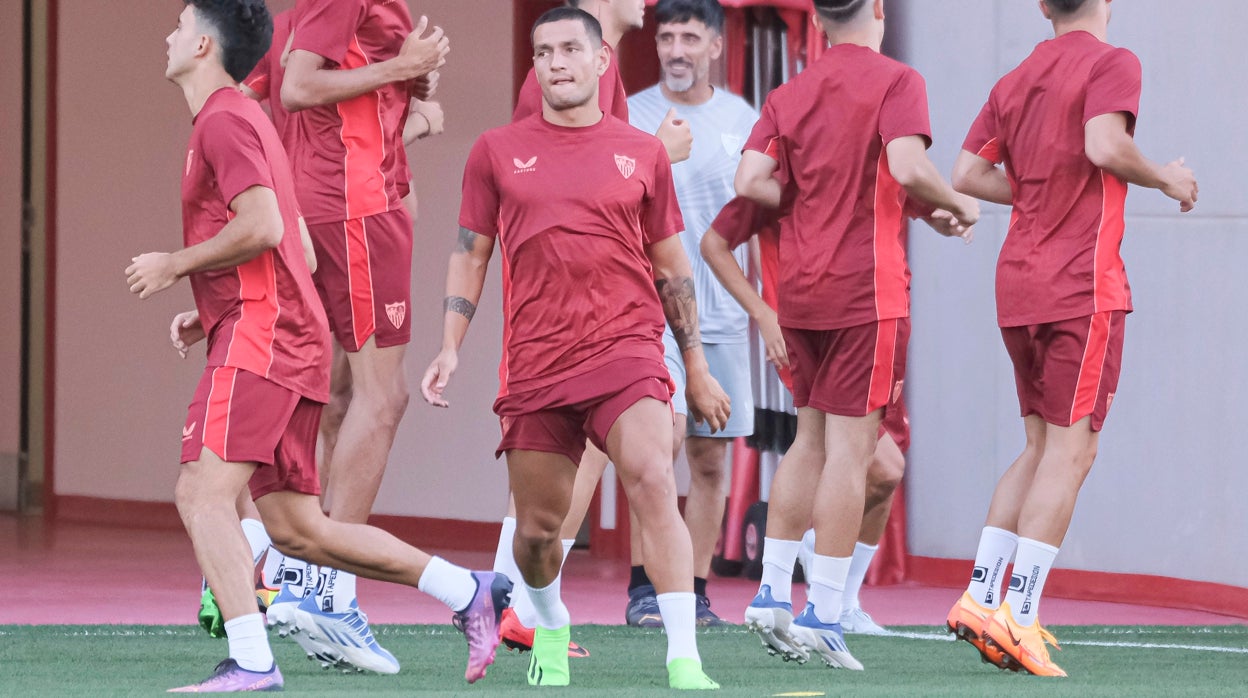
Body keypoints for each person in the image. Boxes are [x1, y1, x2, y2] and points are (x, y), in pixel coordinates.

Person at [127, 2, 509, 690]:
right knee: (302, 529)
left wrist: (179, 266)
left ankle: (253, 658)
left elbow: (273, 223)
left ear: (206, 45)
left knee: (201, 491)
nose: (168, 35)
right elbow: (294, 235)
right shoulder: (244, 120)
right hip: (275, 330)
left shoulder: (227, 118)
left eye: (179, 25)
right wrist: (210, 305)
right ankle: (469, 591)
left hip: (265, 337)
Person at [422, 7, 727, 689]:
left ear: (600, 63)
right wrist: (449, 345)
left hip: (628, 349)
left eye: (569, 50)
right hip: (536, 363)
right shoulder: (495, 151)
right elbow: (470, 254)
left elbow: (673, 268)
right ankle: (550, 623)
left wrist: (697, 367)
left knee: (653, 475)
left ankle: (685, 659)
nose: (556, 62)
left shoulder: (643, 152)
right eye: (543, 52)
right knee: (535, 535)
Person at [945, 0, 1197, 677]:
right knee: (1072, 451)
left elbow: (966, 174)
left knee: (1038, 446)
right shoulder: (1113, 62)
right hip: (1080, 286)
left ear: (1040, 6)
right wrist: (1169, 176)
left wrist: (1032, 195)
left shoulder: (1016, 76)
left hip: (1018, 283)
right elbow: (1104, 146)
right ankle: (1019, 616)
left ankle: (979, 595)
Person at [734, 0, 979, 670]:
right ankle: (826, 611)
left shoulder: (790, 90)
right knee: (851, 452)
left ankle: (769, 593)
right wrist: (957, 202)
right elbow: (905, 166)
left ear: (815, 16)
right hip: (866, 293)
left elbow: (749, 180)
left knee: (806, 441)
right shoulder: (898, 81)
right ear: (875, 8)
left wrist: (816, 201)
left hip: (803, 292)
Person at [492, 0, 691, 655]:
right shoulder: (573, 67)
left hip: (605, 315)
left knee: (622, 448)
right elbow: (552, 178)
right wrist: (660, 153)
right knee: (584, 454)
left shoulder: (593, 66)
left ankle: (512, 598)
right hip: (558, 314)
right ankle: (515, 601)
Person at [257, 0, 450, 673]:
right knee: (383, 397)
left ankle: (280, 562)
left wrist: (411, 87)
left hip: (340, 203)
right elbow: (298, 87)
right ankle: (328, 591)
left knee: (332, 393)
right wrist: (403, 69)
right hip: (355, 209)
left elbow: (280, 102)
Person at [700, 194, 910, 635]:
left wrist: (943, 207)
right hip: (824, 327)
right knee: (834, 450)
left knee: (885, 468)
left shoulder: (858, 164)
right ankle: (805, 595)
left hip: (865, 321)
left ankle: (822, 588)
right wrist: (762, 312)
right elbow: (720, 236)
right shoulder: (784, 168)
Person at [622, 0, 758, 628]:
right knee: (659, 444)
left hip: (724, 315)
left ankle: (696, 593)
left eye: (689, 37)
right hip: (651, 308)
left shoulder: (743, 120)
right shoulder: (629, 113)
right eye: (666, 36)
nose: (675, 49)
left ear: (715, 47)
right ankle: (648, 587)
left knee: (710, 458)